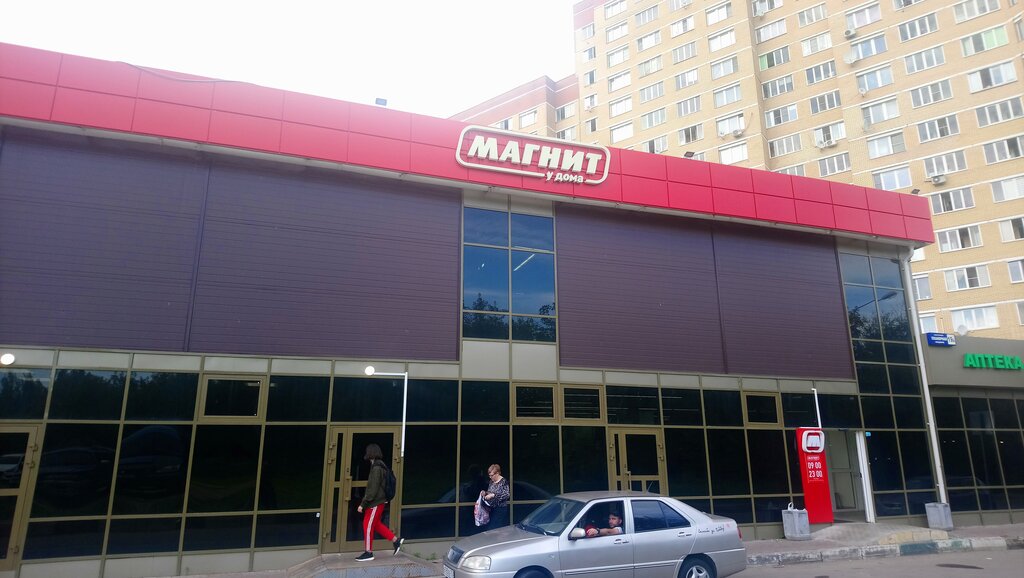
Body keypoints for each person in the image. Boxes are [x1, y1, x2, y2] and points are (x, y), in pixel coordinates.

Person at [355, 443, 403, 561]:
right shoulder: (379, 466)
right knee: (375, 524)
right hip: (378, 502)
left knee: (367, 526)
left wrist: (363, 504)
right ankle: (396, 541)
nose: (366, 453)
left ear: (370, 453)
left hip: (375, 503)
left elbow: (373, 489)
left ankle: (368, 552)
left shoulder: (376, 468)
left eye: (367, 451)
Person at [480, 463, 510, 528]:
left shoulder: (503, 481)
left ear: (497, 473)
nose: (490, 477)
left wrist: (493, 495)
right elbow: (490, 492)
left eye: (492, 475)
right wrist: (485, 493)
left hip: (500, 509)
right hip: (491, 509)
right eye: (489, 475)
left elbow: (506, 495)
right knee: (490, 527)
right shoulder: (491, 481)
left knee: (493, 528)